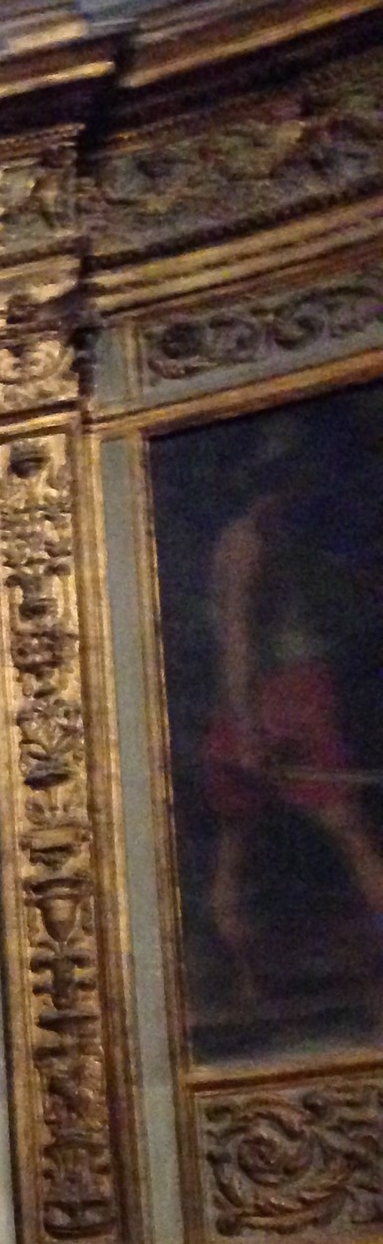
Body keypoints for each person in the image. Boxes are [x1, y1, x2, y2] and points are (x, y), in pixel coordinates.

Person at [202, 417, 383, 1010]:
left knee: (249, 850)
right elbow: (236, 640)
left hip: (288, 693)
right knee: (338, 835)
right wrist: (251, 732)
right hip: (281, 700)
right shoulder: (248, 541)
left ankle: (253, 984)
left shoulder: (276, 537)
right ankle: (249, 985)